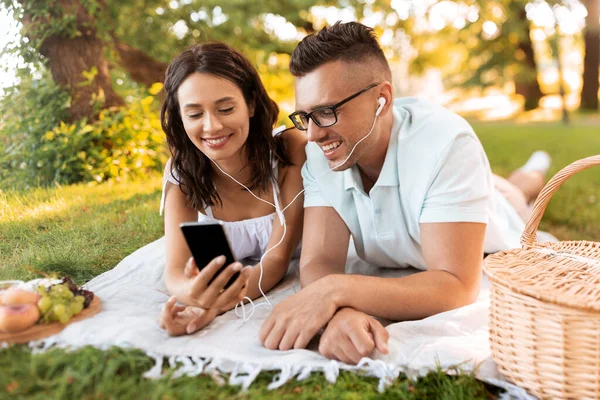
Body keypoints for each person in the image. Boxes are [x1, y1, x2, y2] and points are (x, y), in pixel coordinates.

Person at [258, 21, 552, 364]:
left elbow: (456, 285)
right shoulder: (324, 151)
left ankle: (535, 169)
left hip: (493, 215)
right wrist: (339, 313)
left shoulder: (447, 143)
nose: (311, 135)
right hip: (447, 195)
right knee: (506, 186)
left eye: (326, 112)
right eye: (305, 116)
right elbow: (320, 260)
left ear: (381, 99)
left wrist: (335, 290)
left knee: (516, 194)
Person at [158, 42, 306, 336]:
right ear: (180, 117)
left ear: (251, 104)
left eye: (225, 108)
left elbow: (276, 260)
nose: (212, 126)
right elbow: (174, 272)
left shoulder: (290, 149)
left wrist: (216, 303)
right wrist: (193, 295)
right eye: (195, 114)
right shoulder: (183, 171)